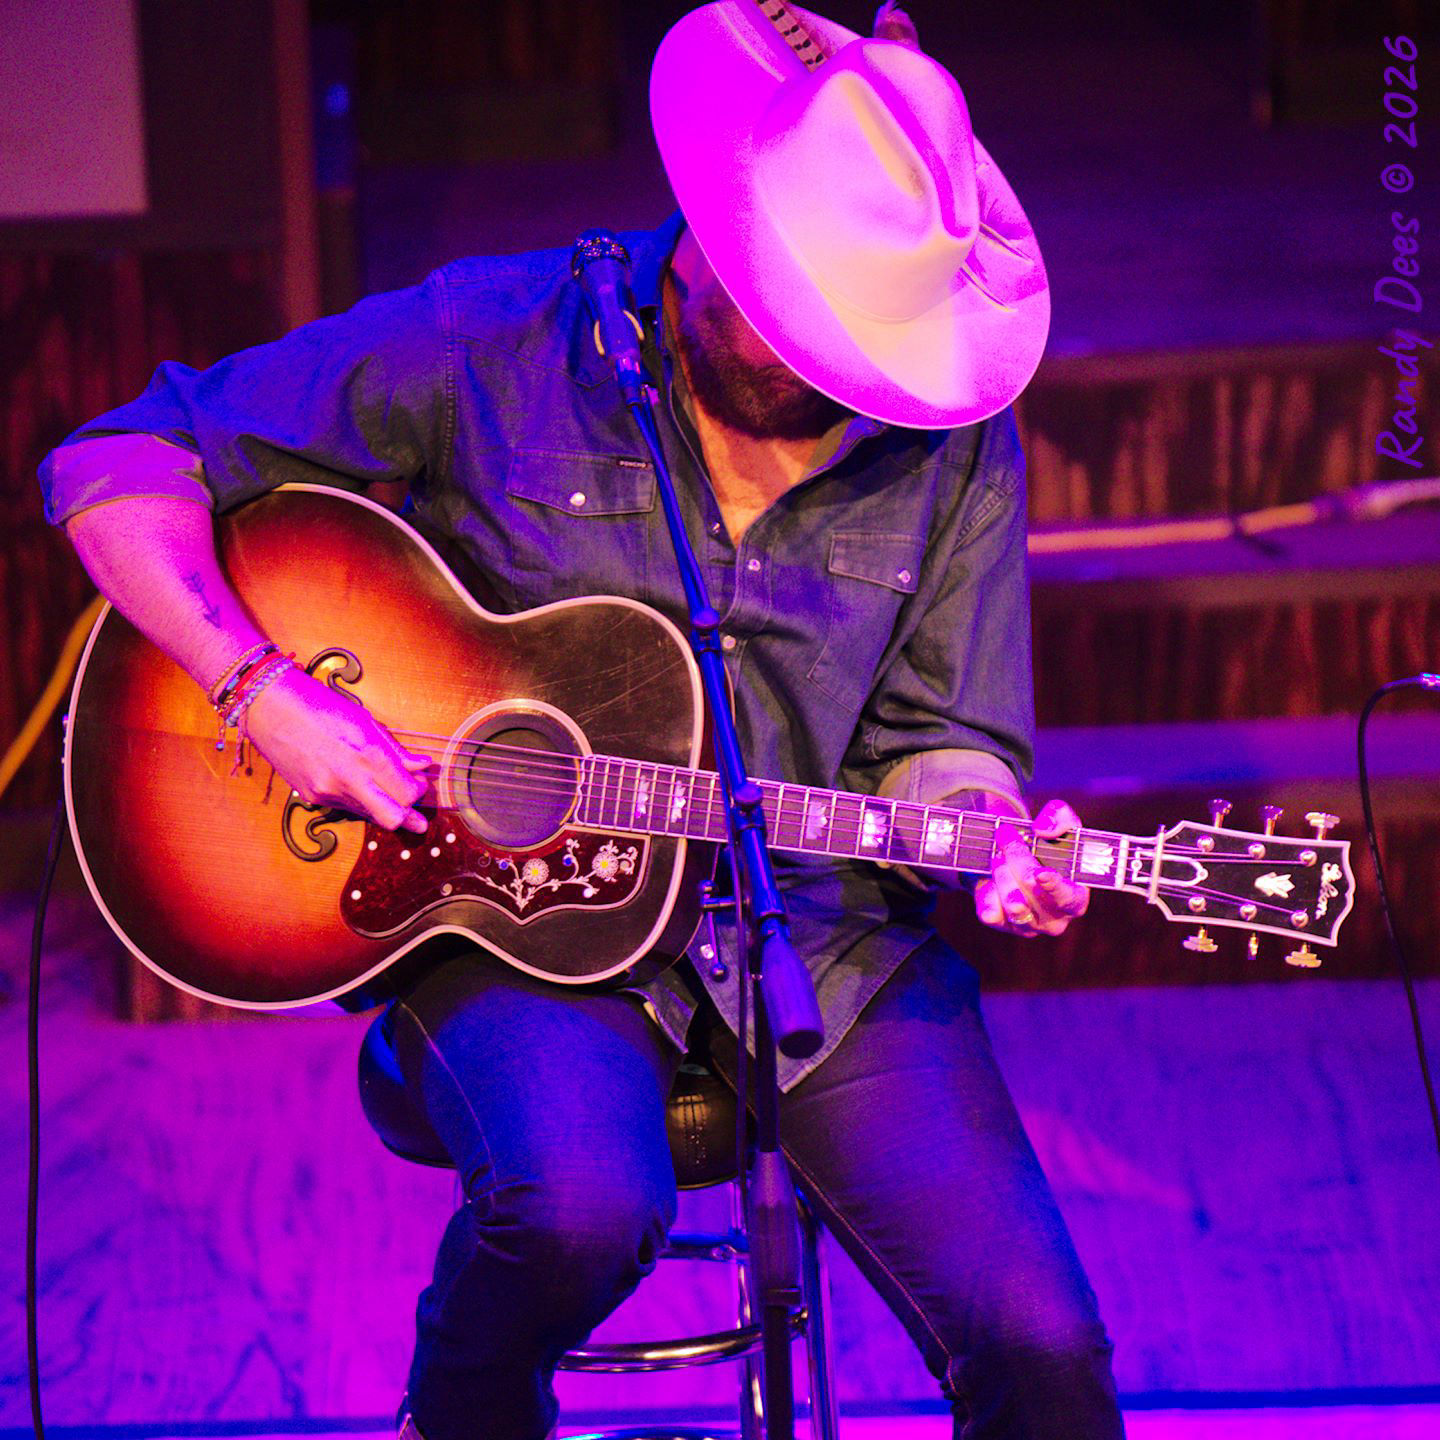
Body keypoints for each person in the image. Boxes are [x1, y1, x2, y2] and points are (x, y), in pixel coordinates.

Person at [39, 4, 1125, 1437]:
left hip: (820, 939)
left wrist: (989, 836)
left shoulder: (952, 430)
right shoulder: (494, 339)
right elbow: (122, 457)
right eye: (806, 329)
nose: (828, 380)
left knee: (1045, 1347)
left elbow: (943, 736)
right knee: (575, 1208)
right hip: (503, 920)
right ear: (723, 231)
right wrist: (259, 686)